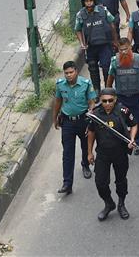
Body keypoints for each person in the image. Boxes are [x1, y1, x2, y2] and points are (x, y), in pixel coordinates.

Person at [86, 88, 137, 220]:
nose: (107, 103)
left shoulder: (123, 111)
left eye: (110, 100)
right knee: (100, 182)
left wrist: (132, 139)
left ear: (115, 99)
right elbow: (91, 133)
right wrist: (89, 152)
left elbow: (134, 124)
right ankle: (109, 204)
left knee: (121, 181)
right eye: (104, 101)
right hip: (103, 153)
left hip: (120, 152)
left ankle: (121, 203)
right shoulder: (95, 114)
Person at [54, 61, 97, 194]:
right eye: (66, 73)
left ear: (76, 71)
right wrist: (54, 117)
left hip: (83, 120)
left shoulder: (86, 84)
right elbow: (58, 101)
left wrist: (91, 117)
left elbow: (91, 102)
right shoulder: (60, 85)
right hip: (67, 122)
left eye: (71, 72)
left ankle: (85, 165)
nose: (68, 75)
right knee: (67, 153)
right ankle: (67, 183)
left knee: (85, 146)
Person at [106, 39, 139, 154]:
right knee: (121, 121)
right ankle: (124, 142)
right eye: (121, 50)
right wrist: (107, 95)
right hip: (121, 97)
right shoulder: (114, 61)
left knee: (137, 121)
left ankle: (138, 142)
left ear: (130, 47)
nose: (124, 52)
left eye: (126, 49)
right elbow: (110, 79)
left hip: (136, 96)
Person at [75, 0, 119, 92]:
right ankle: (96, 90)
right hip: (91, 46)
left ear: (94, 0)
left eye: (90, 0)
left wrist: (115, 40)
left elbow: (112, 24)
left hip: (104, 45)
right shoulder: (80, 15)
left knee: (106, 67)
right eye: (86, 1)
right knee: (92, 68)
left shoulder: (103, 10)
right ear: (83, 2)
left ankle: (108, 89)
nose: (89, 3)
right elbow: (78, 30)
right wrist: (82, 43)